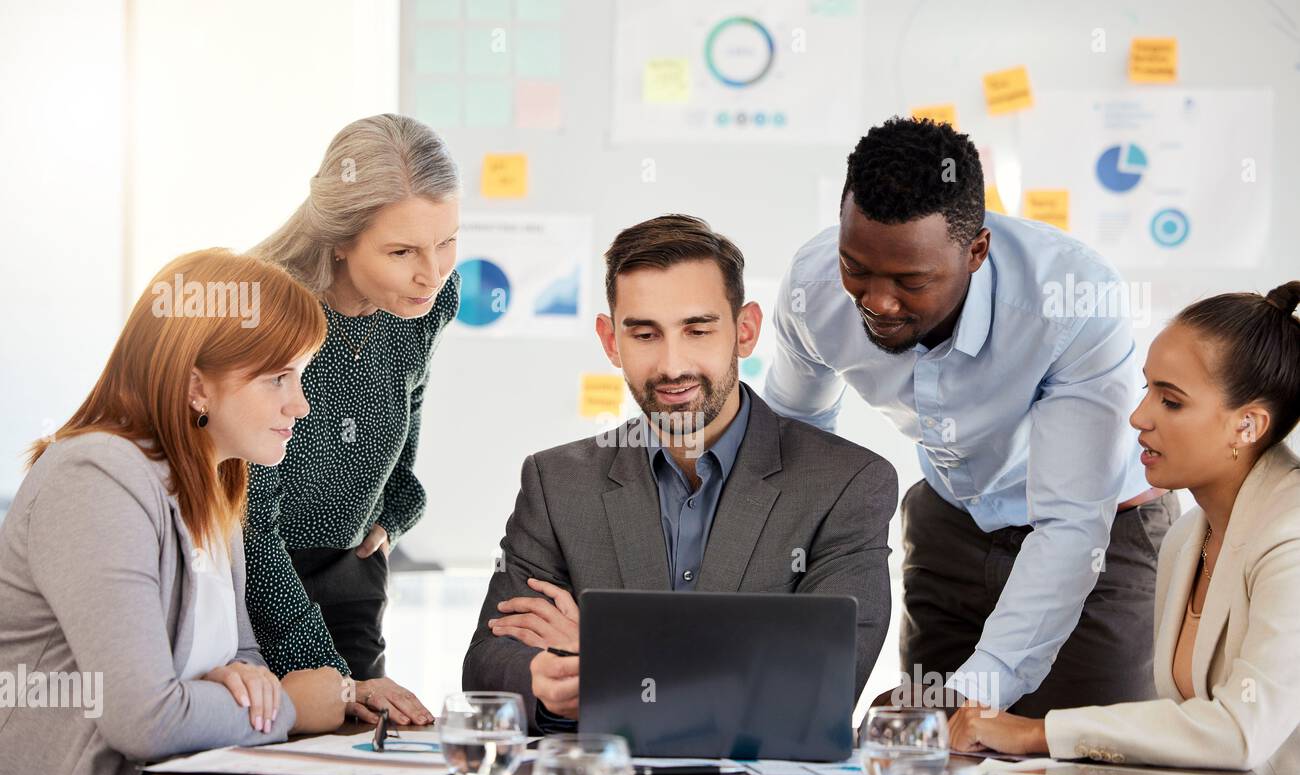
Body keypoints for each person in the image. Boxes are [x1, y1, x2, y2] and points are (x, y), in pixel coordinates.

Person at [763, 116, 1176, 717]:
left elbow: (1068, 522)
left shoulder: (1073, 300)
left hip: (1102, 538)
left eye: (911, 280)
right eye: (858, 267)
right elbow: (791, 442)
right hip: (951, 521)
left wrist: (976, 691)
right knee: (930, 764)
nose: (877, 301)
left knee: (1085, 768)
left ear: (976, 250)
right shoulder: (813, 285)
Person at [462, 214, 897, 734]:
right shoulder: (556, 481)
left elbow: (814, 690)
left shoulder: (846, 483)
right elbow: (488, 666)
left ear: (745, 330)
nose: (672, 366)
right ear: (610, 341)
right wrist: (548, 679)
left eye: (697, 330)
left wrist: (605, 657)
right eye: (644, 334)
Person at [0, 249, 348, 775]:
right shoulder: (96, 478)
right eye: (278, 378)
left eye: (301, 375)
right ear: (195, 386)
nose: (302, 405)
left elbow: (244, 665)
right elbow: (144, 718)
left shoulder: (215, 487)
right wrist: (295, 708)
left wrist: (244, 686)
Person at [950, 282, 1300, 775]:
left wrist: (1036, 733)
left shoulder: (1290, 537)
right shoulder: (1186, 536)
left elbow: (1239, 731)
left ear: (1247, 425)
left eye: (1171, 400)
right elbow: (1184, 728)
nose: (1138, 417)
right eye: (1146, 390)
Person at [246, 113, 462, 726]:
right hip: (261, 576)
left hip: (353, 569)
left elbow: (407, 396)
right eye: (402, 251)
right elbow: (251, 527)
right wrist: (332, 678)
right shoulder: (269, 308)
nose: (433, 271)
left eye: (447, 241)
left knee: (372, 772)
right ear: (339, 239)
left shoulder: (427, 299)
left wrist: (394, 508)